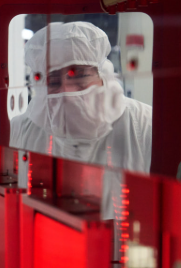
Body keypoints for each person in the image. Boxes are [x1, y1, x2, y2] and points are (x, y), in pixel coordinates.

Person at [10, 21, 152, 173]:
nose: (67, 92)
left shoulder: (144, 125)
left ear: (103, 75)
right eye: (54, 81)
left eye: (79, 76)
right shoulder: (22, 130)